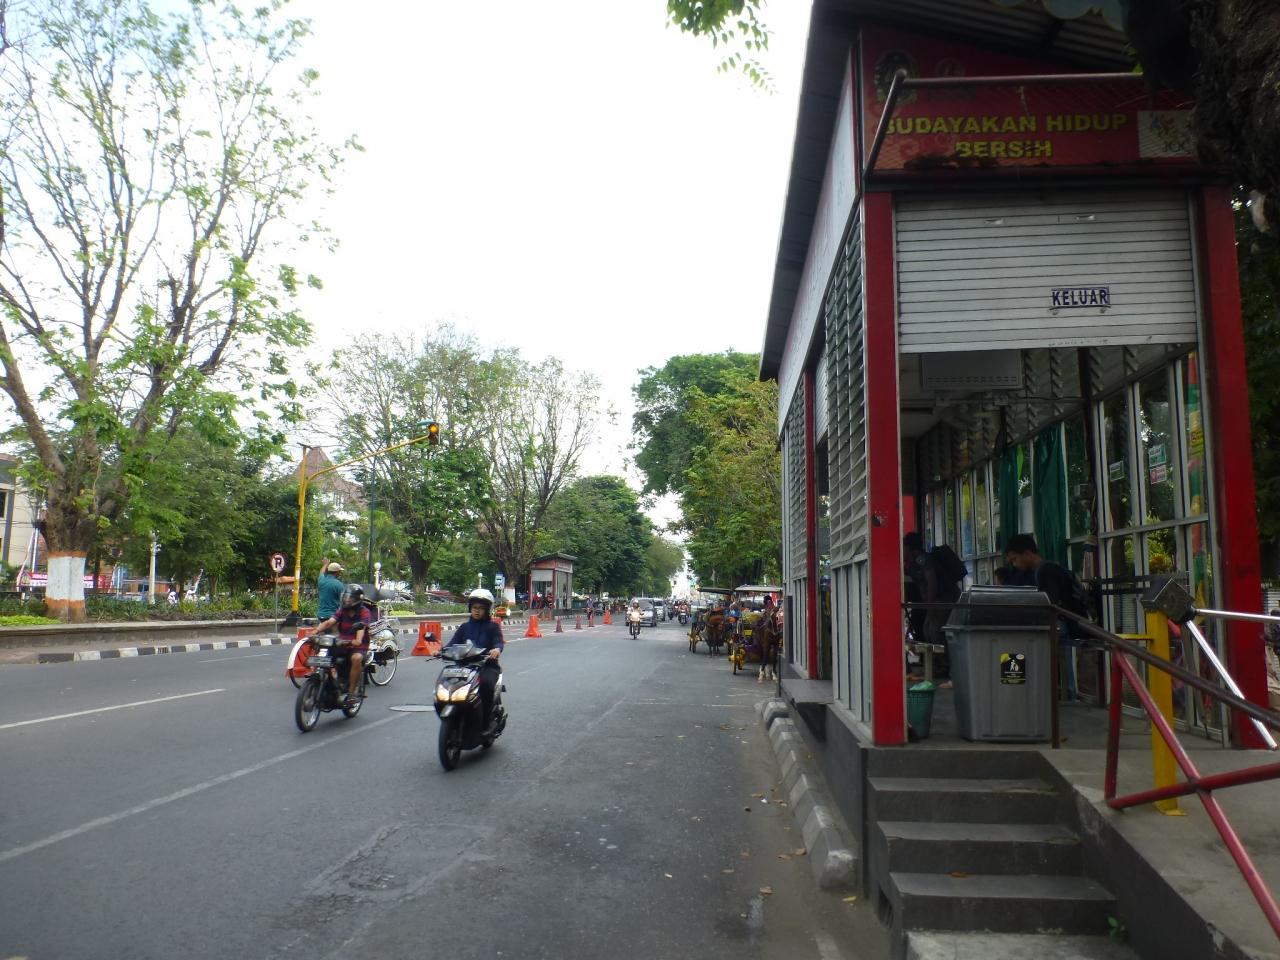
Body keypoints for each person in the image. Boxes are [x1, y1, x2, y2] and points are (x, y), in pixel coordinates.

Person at [1005, 533, 1089, 702]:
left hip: (1066, 624)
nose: (1015, 564)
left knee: (1014, 639)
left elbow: (1050, 604)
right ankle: (1018, 685)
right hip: (1063, 622)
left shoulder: (1047, 571)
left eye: (1015, 559)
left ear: (1027, 553)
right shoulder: (1036, 572)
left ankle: (1018, 686)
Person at [903, 532, 964, 683]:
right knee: (927, 631)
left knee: (935, 632)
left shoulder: (923, 559)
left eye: (903, 546)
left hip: (944, 599)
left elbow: (932, 581)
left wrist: (929, 603)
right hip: (935, 601)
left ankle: (944, 667)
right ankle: (935, 666)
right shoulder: (913, 562)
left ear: (909, 547)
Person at [446, 588, 504, 731]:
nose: (477, 611)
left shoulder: (493, 627)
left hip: (487, 667)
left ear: (487, 610)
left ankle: (485, 723)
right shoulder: (464, 627)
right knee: (447, 684)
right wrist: (440, 650)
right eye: (474, 607)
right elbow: (452, 643)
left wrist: (497, 649)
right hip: (464, 666)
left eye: (481, 608)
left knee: (486, 685)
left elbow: (498, 641)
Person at [308, 582, 372, 706]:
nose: (347, 600)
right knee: (323, 653)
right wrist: (315, 631)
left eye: (350, 598)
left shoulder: (364, 612)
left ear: (358, 599)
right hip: (341, 642)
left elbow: (361, 628)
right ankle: (323, 678)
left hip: (358, 646)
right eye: (346, 597)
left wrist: (356, 640)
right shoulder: (342, 610)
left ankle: (352, 692)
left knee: (356, 658)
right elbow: (329, 622)